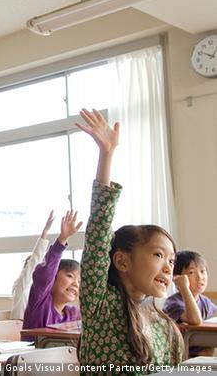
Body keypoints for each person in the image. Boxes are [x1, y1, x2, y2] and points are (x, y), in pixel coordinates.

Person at [76, 109, 183, 370]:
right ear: (122, 261)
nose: (169, 267)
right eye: (158, 255)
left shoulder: (163, 323)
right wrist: (107, 154)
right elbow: (99, 230)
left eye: (171, 259)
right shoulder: (101, 305)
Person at [22, 210, 82, 332]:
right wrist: (62, 239)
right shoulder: (40, 302)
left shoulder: (74, 314)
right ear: (53, 278)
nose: (76, 284)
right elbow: (46, 274)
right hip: (36, 351)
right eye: (70, 276)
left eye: (79, 281)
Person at [163, 250, 217, 356]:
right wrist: (184, 288)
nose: (200, 277)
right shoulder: (173, 303)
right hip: (182, 357)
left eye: (202, 271)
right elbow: (195, 320)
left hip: (203, 354)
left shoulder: (204, 301)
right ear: (177, 278)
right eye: (191, 272)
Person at [11, 210, 55, 320]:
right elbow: (35, 261)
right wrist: (45, 232)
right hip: (19, 329)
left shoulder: (41, 291)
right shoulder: (24, 286)